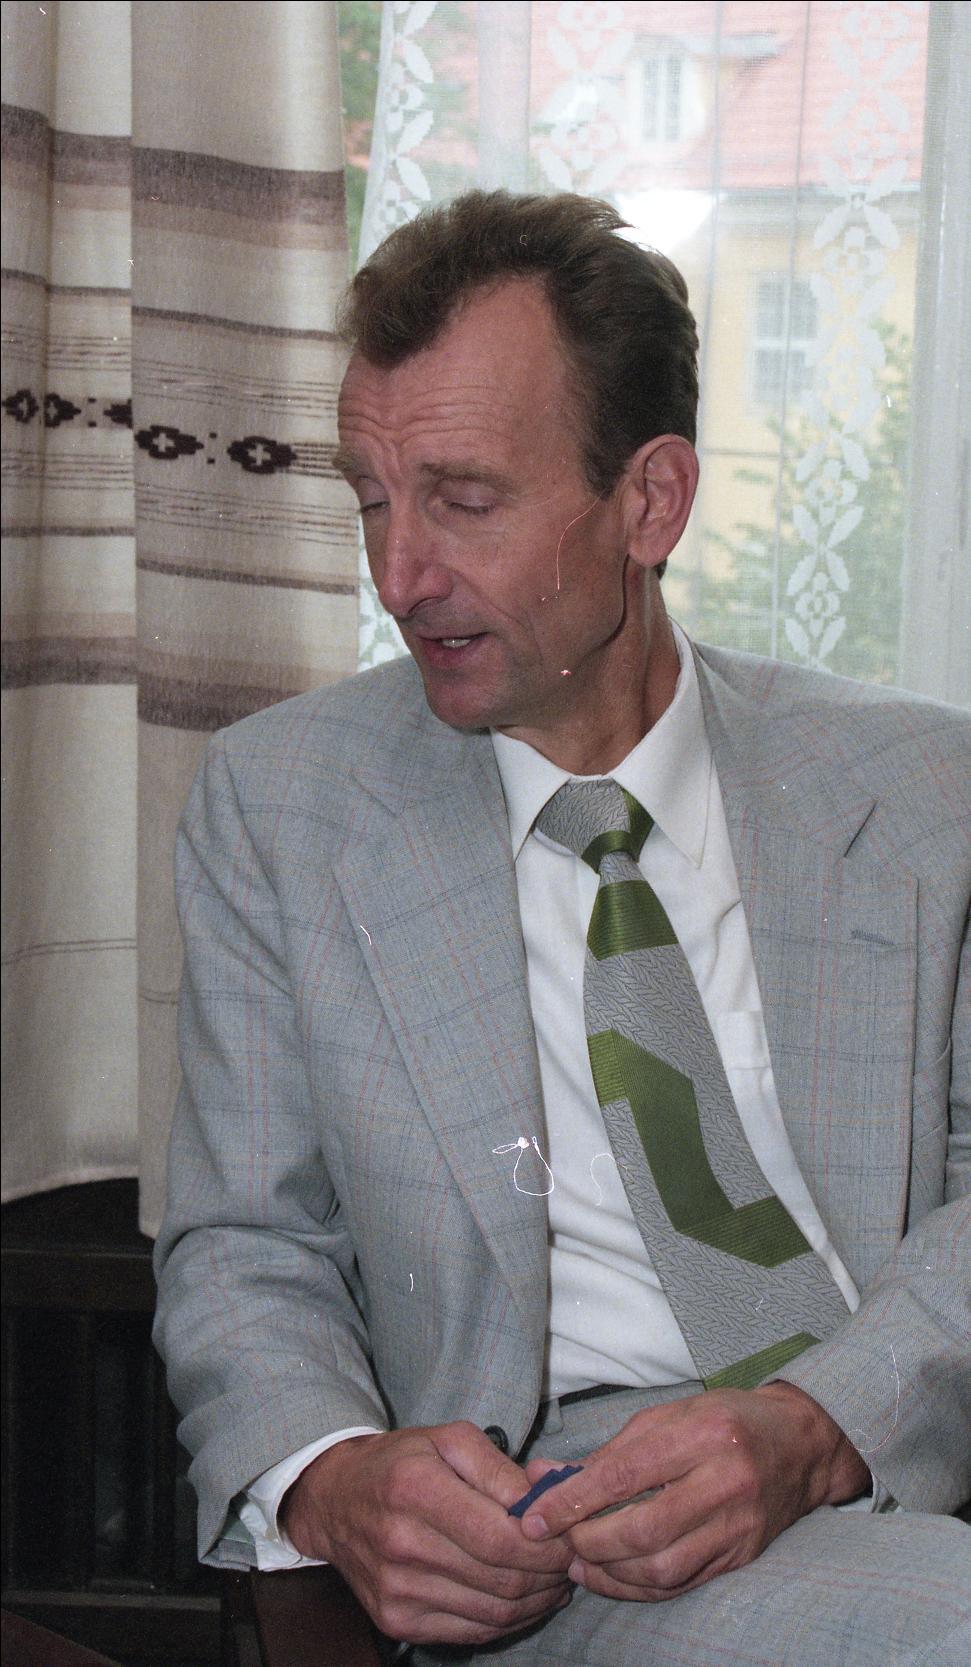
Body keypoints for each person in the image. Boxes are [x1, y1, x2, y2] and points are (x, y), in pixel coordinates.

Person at [153, 191, 971, 1666]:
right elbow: (245, 1249)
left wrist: (822, 1424)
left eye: (464, 501)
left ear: (651, 501)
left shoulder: (920, 791)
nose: (399, 576)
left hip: (900, 1450)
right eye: (372, 500)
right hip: (574, 1532)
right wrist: (335, 1479)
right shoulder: (283, 810)